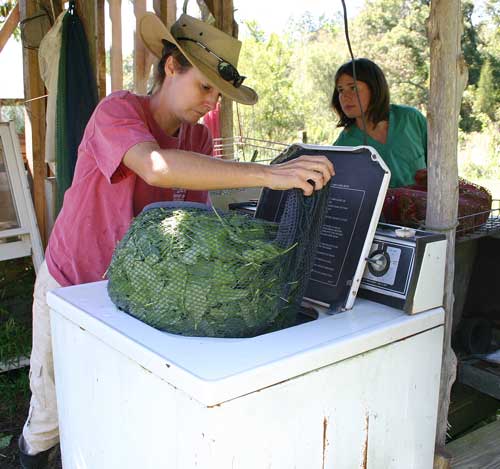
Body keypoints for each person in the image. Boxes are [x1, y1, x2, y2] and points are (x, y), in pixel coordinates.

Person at [19, 12, 334, 469]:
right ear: (171, 67)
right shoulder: (118, 112)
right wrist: (269, 174)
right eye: (205, 87)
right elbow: (156, 167)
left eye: (218, 94)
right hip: (72, 283)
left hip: (135, 298)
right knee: (50, 412)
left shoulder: (199, 138)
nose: (210, 104)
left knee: (107, 405)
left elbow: (193, 224)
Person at [331, 58, 427, 188]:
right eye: (341, 90)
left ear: (374, 88)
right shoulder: (344, 145)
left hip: (429, 207)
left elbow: (441, 164)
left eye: (353, 88)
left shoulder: (410, 119)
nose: (345, 97)